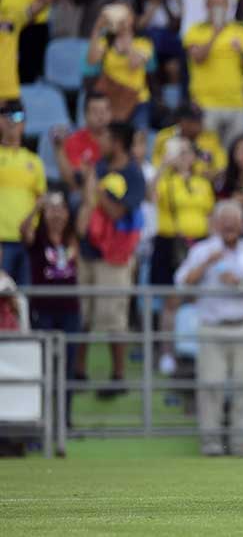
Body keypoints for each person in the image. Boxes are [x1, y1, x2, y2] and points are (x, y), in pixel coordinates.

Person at [175, 200, 243, 456]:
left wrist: (242, 283)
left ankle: (239, 442)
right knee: (210, 386)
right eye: (224, 221)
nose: (230, 226)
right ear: (216, 224)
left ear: (242, 224)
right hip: (213, 328)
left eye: (234, 221)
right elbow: (182, 283)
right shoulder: (203, 250)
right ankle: (211, 443)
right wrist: (206, 265)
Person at [75, 122, 145, 397]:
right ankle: (78, 370)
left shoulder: (133, 174)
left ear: (117, 141)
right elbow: (86, 205)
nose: (99, 142)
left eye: (103, 136)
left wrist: (98, 190)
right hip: (87, 252)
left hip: (115, 257)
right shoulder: (98, 168)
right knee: (83, 314)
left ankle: (118, 376)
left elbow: (117, 213)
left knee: (114, 317)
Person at [151, 139, 214, 375]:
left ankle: (196, 351)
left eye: (189, 153)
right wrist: (163, 167)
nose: (185, 157)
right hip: (171, 243)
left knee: (198, 299)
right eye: (181, 153)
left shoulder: (201, 183)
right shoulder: (167, 181)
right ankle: (167, 352)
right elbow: (150, 197)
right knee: (171, 301)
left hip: (197, 243)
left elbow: (209, 214)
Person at [20, 192, 81, 420]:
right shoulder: (38, 239)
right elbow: (23, 231)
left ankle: (65, 419)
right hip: (43, 308)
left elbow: (83, 219)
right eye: (52, 209)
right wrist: (37, 208)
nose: (56, 214)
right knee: (44, 366)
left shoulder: (72, 238)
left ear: (67, 212)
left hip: (69, 310)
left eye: (60, 208)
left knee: (68, 366)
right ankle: (42, 419)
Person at [184, 0, 243, 146]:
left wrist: (242, 52)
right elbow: (197, 58)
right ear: (206, 6)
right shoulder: (195, 31)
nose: (217, 8)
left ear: (228, 6)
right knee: (208, 152)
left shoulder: (241, 30)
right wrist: (215, 34)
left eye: (221, 4)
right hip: (206, 103)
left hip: (236, 102)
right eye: (213, 4)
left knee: (234, 152)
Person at [85, 2, 156, 130]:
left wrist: (126, 35)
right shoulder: (106, 42)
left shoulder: (143, 42)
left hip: (137, 100)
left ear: (132, 18)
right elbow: (91, 60)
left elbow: (134, 63)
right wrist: (97, 28)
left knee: (137, 137)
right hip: (111, 100)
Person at [0, 100, 46, 286]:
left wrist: (30, 227)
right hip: (1, 242)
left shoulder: (34, 161)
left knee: (24, 299)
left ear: (25, 123)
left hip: (27, 242)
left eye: (18, 116)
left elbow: (41, 198)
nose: (12, 122)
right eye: (6, 116)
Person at [152, 103, 226, 181]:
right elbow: (157, 165)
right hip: (173, 183)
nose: (200, 123)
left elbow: (221, 164)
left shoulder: (210, 138)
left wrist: (214, 172)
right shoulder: (165, 137)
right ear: (182, 122)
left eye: (200, 119)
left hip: (204, 184)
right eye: (195, 121)